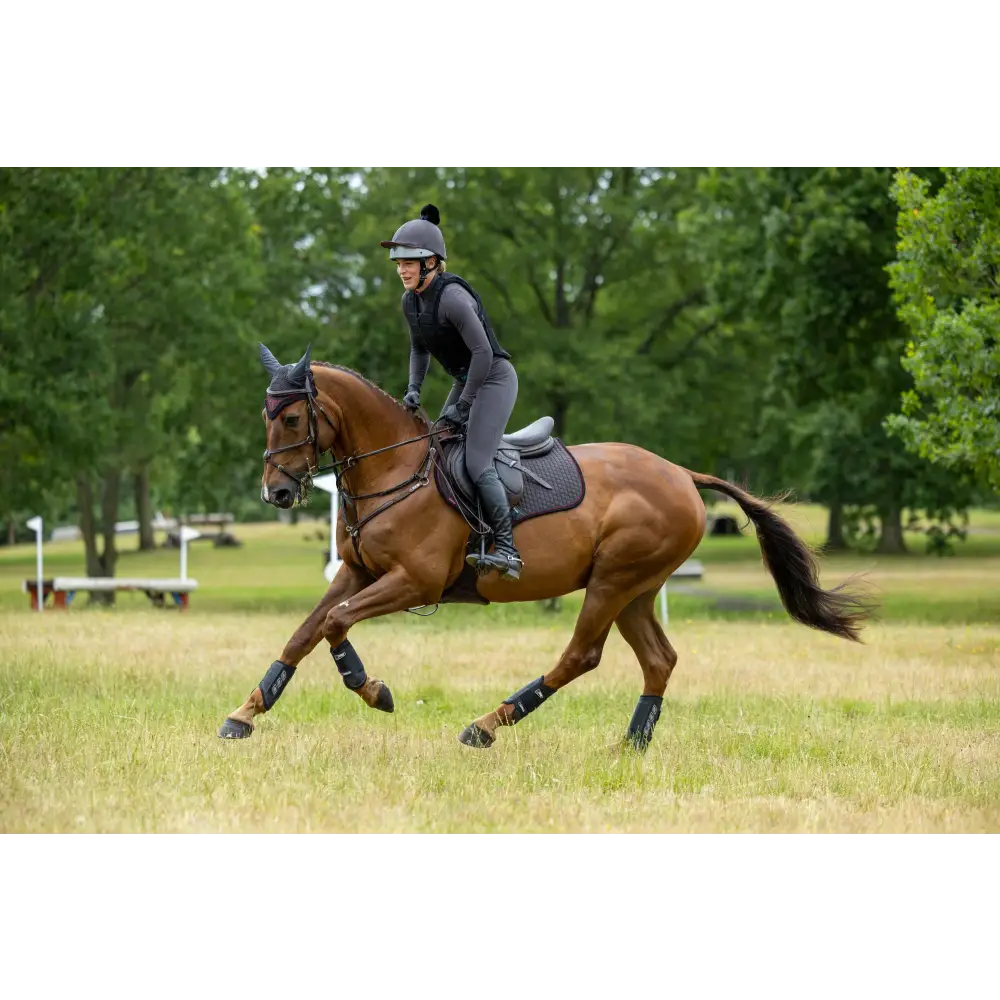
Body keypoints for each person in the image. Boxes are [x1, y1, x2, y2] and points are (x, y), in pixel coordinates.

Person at [380, 204, 522, 580]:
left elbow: (483, 353)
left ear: (431, 263)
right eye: (398, 263)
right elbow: (418, 348)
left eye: (409, 262)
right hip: (468, 379)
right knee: (435, 449)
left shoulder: (453, 299)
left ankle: (507, 548)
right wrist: (413, 389)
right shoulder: (410, 301)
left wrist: (464, 404)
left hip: (494, 378)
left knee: (476, 461)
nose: (402, 269)